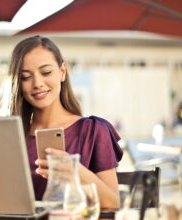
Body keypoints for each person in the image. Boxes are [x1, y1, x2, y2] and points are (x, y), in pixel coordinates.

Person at [8, 35, 123, 209]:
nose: (37, 83)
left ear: (62, 72)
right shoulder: (11, 138)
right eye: (25, 77)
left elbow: (113, 204)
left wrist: (75, 172)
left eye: (46, 72)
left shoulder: (93, 130)